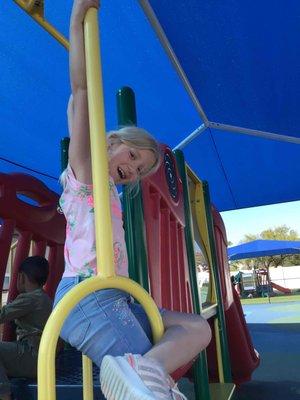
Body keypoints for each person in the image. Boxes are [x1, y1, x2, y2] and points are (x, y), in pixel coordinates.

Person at [53, 1, 212, 399]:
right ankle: (150, 381)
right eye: (135, 158)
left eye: (140, 171)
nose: (134, 171)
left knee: (197, 329)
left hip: (117, 296)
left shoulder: (111, 195)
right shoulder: (87, 172)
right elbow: (81, 90)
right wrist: (77, 19)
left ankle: (149, 373)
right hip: (89, 296)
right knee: (143, 389)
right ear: (115, 141)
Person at [0, 256, 53, 400]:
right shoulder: (44, 298)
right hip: (42, 357)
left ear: (21, 277)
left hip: (32, 358)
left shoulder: (29, 298)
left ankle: (4, 395)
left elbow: (2, 314)